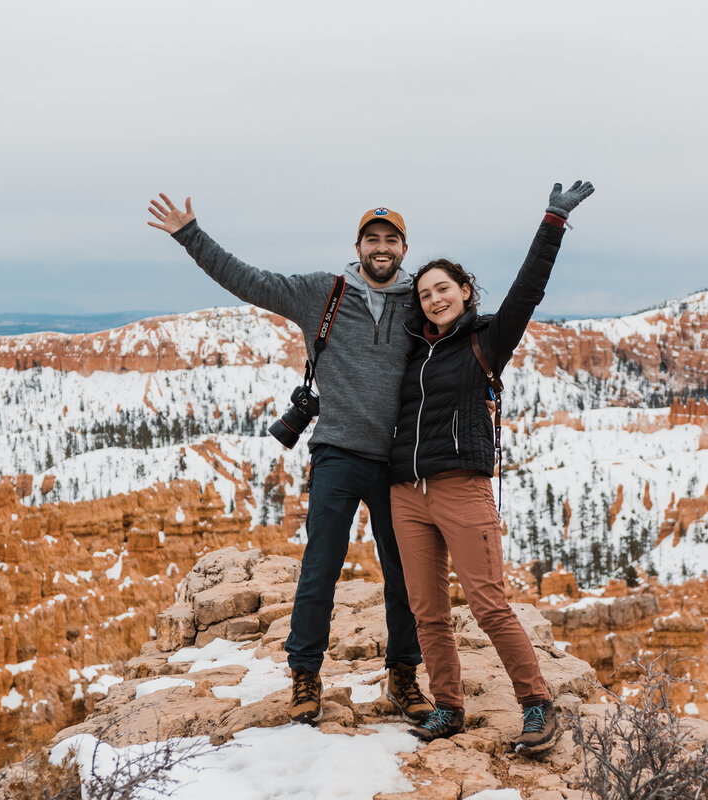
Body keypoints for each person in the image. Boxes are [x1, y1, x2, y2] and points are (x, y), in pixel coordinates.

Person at [147, 194, 433, 724]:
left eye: (391, 240)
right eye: (373, 239)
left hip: (397, 459)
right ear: (359, 247)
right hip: (338, 452)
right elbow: (248, 280)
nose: (381, 248)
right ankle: (304, 675)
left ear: (403, 249)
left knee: (404, 574)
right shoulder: (323, 292)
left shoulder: (418, 302)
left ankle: (403, 676)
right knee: (320, 568)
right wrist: (190, 234)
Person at [388, 180, 595, 751]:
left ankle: (536, 703)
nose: (434, 299)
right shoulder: (409, 350)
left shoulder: (485, 340)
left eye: (444, 289)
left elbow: (528, 291)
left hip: (462, 487)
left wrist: (552, 221)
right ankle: (448, 708)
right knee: (427, 611)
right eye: (425, 293)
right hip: (406, 493)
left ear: (464, 290)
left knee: (487, 603)